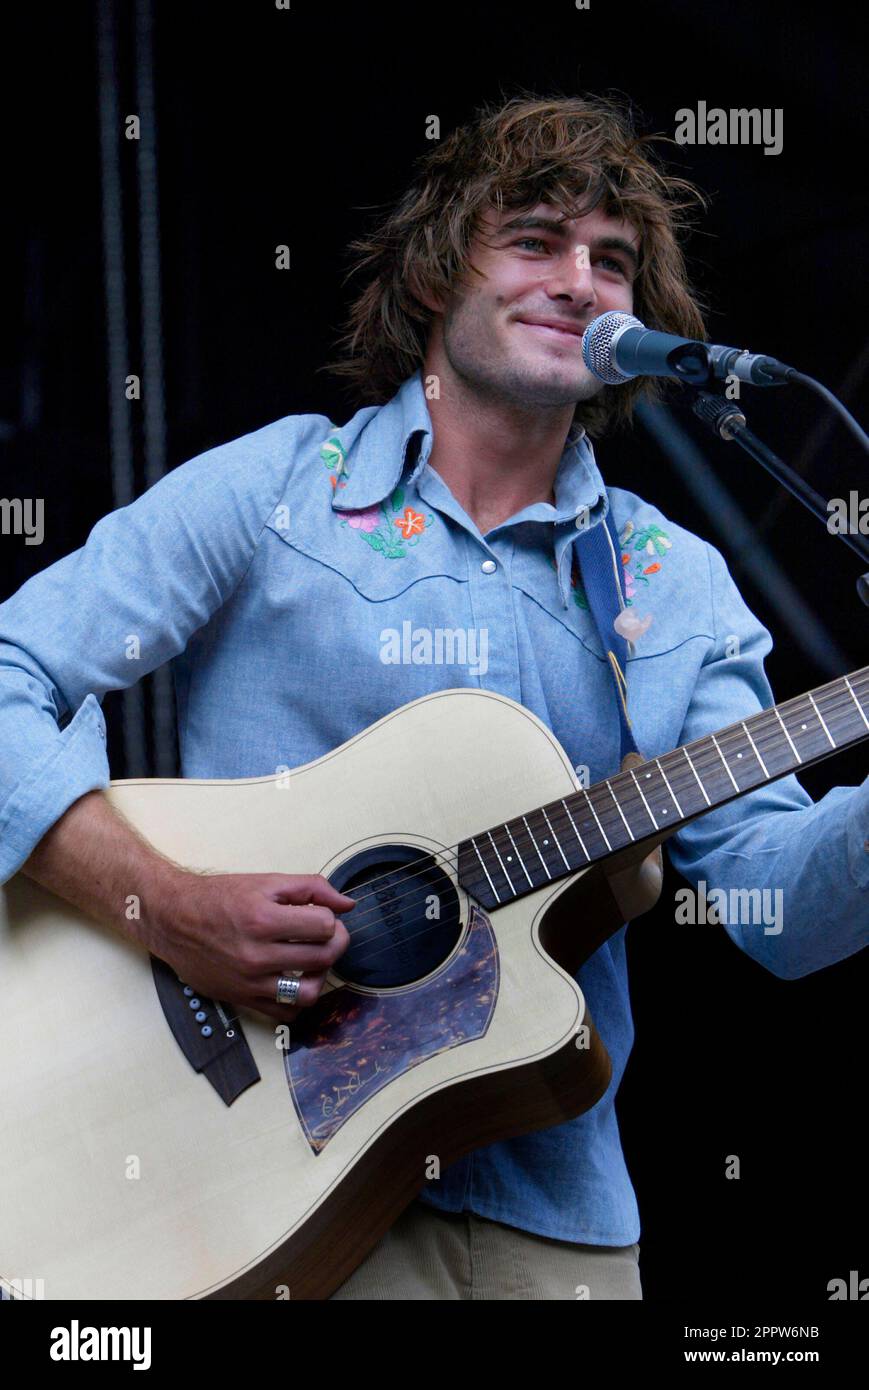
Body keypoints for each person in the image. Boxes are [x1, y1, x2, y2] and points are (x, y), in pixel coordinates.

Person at [1, 94, 866, 1302]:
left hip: (551, 1221)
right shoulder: (275, 493)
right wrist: (170, 904)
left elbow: (778, 913)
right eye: (531, 241)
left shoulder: (669, 582)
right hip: (250, 1189)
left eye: (608, 260)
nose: (576, 281)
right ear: (431, 276)